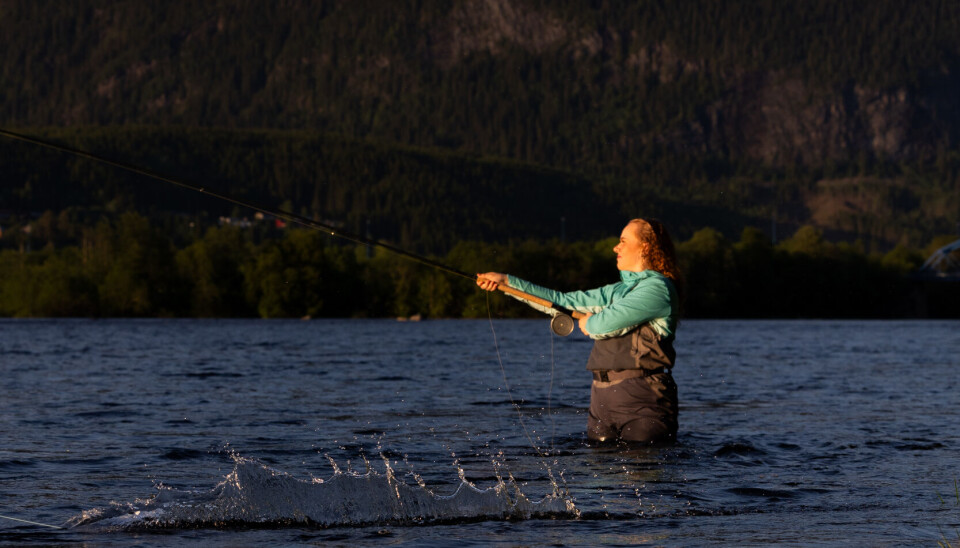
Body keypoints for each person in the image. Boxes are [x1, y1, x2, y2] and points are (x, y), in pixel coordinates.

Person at [477, 218, 682, 445]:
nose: (616, 247)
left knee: (643, 472)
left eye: (623, 241)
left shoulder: (658, 289)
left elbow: (600, 325)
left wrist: (588, 322)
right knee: (601, 477)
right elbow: (561, 301)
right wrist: (507, 282)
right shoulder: (617, 290)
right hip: (601, 400)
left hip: (642, 398)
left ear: (645, 246)